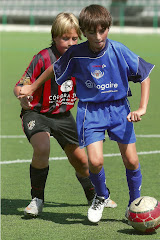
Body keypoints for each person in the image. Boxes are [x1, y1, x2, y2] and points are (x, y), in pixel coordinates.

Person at [18, 5, 154, 223]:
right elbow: (55, 67)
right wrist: (32, 88)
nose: (98, 37)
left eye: (103, 30)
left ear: (109, 27)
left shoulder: (119, 50)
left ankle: (134, 204)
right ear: (84, 31)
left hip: (119, 109)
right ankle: (100, 195)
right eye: (92, 32)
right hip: (91, 111)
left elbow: (144, 75)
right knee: (95, 161)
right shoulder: (76, 53)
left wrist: (142, 107)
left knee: (131, 159)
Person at [14, 12, 117, 218]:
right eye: (64, 38)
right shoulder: (43, 57)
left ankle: (96, 197)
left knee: (81, 161)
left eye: (74, 38)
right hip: (37, 113)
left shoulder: (82, 58)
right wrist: (22, 95)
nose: (70, 43)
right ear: (54, 37)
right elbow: (21, 85)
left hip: (63, 116)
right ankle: (37, 200)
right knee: (42, 147)